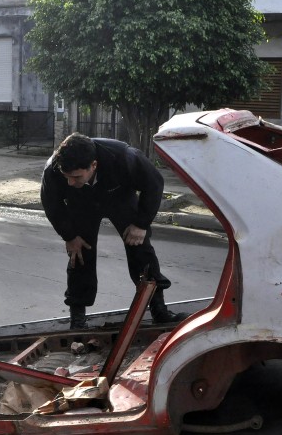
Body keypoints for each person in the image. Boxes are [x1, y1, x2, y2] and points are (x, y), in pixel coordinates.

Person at [41, 132, 186, 329]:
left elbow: (154, 183)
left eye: (76, 177)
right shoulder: (54, 170)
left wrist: (141, 224)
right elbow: (52, 204)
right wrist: (69, 236)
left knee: (140, 249)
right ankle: (77, 320)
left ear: (93, 165)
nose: (70, 183)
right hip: (81, 203)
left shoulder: (124, 157)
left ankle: (159, 310)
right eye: (67, 177)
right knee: (79, 253)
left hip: (119, 197)